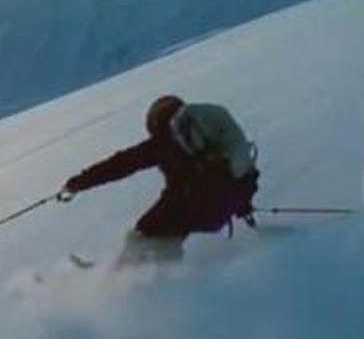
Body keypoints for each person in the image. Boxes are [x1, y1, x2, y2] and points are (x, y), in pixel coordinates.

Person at [61, 95, 261, 264]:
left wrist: (79, 183)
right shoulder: (212, 143)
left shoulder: (165, 144)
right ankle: (165, 276)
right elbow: (241, 178)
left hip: (189, 204)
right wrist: (243, 206)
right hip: (218, 209)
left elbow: (121, 164)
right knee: (165, 234)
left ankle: (123, 279)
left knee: (142, 236)